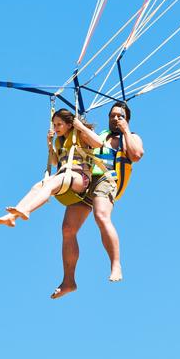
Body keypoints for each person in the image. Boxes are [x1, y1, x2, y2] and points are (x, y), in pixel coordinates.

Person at [56, 100, 143, 298]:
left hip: (107, 179)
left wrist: (126, 130)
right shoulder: (101, 136)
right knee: (68, 228)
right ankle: (69, 281)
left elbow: (136, 155)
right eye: (112, 116)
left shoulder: (132, 137)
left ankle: (116, 264)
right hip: (87, 179)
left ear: (127, 119)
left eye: (120, 116)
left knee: (101, 216)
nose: (115, 118)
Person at [0, 108, 101, 229]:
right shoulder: (59, 142)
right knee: (37, 186)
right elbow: (55, 162)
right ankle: (12, 217)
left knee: (51, 184)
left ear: (69, 124)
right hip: (64, 175)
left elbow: (98, 143)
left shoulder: (80, 135)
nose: (56, 128)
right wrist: (49, 144)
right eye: (54, 125)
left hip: (81, 177)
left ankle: (27, 210)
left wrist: (81, 127)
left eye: (59, 124)